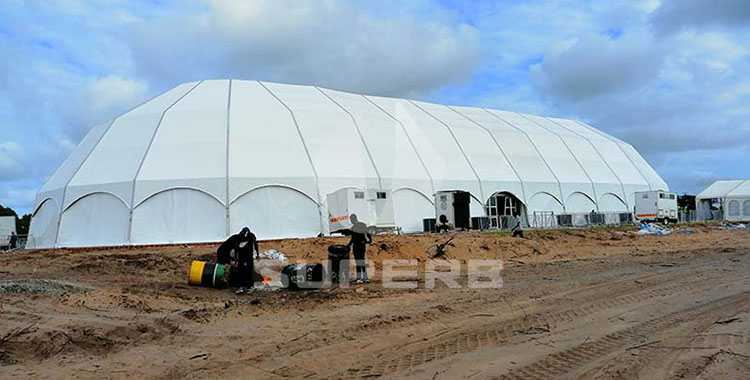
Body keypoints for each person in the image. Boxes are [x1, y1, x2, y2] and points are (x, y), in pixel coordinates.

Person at [347, 214, 372, 284]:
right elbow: (368, 233)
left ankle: (359, 278)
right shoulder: (362, 225)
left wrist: (348, 245)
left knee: (358, 262)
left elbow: (353, 238)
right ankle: (365, 278)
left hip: (357, 246)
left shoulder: (353, 227)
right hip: (362, 245)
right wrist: (370, 240)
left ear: (352, 220)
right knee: (362, 261)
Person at [235, 227, 259, 295]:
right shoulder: (239, 237)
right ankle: (241, 287)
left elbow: (255, 245)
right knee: (241, 272)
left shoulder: (251, 236)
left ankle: (250, 286)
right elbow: (236, 248)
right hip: (241, 257)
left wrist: (257, 254)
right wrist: (236, 259)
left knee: (248, 271)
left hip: (248, 257)